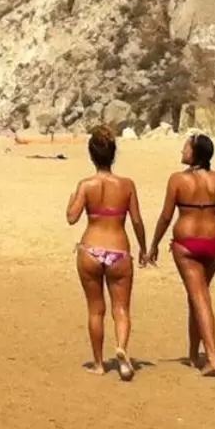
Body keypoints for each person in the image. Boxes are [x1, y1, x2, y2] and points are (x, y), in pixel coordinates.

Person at [146, 133, 215, 376]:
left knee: (200, 297)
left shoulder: (177, 180)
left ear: (195, 153)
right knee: (197, 295)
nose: (182, 152)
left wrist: (153, 245)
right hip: (214, 241)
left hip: (187, 243)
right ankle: (194, 354)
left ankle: (212, 357)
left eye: (185, 149)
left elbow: (166, 216)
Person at [66, 125, 146, 380]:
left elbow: (71, 217)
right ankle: (121, 350)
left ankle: (99, 364)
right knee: (121, 309)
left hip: (91, 249)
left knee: (95, 309)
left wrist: (71, 199)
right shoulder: (127, 185)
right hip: (119, 251)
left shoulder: (86, 185)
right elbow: (136, 220)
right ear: (113, 154)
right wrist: (144, 248)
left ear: (92, 155)